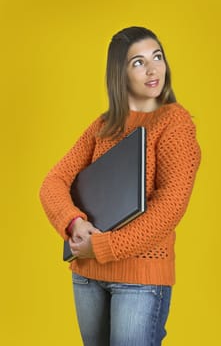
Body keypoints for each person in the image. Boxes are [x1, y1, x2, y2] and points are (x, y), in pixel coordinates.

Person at [40, 26, 201, 346]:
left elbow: (170, 206)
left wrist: (101, 247)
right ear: (120, 73)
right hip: (88, 276)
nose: (153, 68)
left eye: (157, 57)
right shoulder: (103, 126)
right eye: (138, 62)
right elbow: (53, 182)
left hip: (139, 280)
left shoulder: (174, 123)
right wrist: (74, 222)